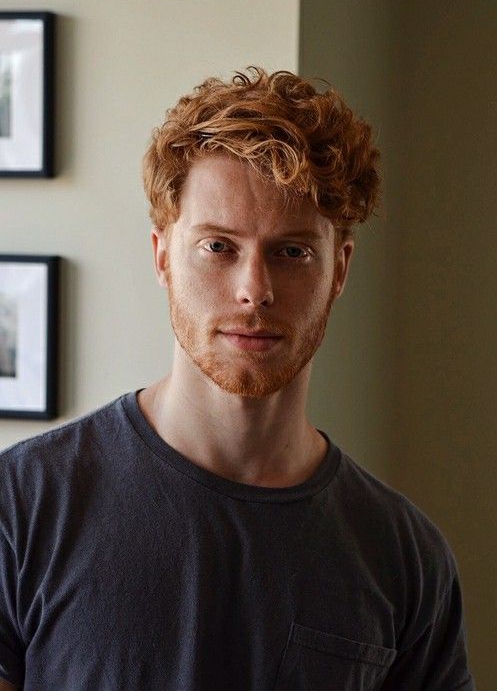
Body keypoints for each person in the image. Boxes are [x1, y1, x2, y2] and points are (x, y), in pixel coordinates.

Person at [0, 67, 474, 690]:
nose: (256, 290)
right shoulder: (23, 507)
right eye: (219, 247)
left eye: (293, 251)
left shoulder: (405, 557)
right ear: (163, 255)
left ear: (339, 271)